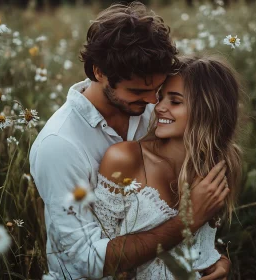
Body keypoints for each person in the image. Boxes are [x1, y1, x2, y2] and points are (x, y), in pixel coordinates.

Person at [29, 2, 231, 279]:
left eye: (157, 90)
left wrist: (212, 257)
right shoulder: (59, 145)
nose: (152, 102)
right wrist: (187, 220)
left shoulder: (157, 113)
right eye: (138, 91)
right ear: (99, 72)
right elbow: (84, 261)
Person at [93, 54, 242, 279]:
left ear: (208, 109)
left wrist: (220, 261)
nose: (158, 107)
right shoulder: (126, 159)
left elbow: (199, 244)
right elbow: (99, 257)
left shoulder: (218, 165)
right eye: (161, 97)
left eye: (175, 101)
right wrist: (187, 221)